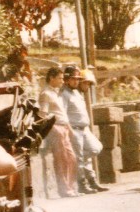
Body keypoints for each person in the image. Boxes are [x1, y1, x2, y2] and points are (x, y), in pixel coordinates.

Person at [61, 64, 106, 193]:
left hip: (84, 128)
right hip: (74, 129)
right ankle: (84, 184)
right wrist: (68, 130)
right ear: (67, 79)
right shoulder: (64, 94)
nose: (76, 81)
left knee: (95, 148)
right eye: (73, 79)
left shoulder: (76, 92)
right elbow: (63, 114)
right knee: (81, 158)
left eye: (78, 79)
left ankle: (91, 180)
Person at [38, 66, 78, 198]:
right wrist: (53, 128)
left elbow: (61, 113)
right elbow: (43, 114)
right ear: (52, 78)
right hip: (56, 128)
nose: (62, 81)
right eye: (60, 78)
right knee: (61, 159)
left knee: (71, 158)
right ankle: (64, 189)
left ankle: (70, 187)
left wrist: (69, 127)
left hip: (64, 127)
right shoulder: (45, 94)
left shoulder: (56, 93)